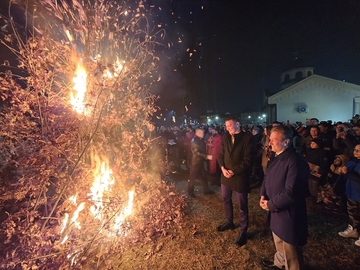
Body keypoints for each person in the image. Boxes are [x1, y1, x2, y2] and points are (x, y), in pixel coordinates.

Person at [260, 125, 310, 270]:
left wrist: (270, 205)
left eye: (274, 140)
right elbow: (266, 177)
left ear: (286, 142)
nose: (270, 143)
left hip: (289, 214)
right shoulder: (276, 157)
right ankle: (279, 264)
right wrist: (263, 195)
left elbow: (291, 192)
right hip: (276, 211)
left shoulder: (295, 162)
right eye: (270, 139)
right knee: (279, 241)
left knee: (290, 249)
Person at [217, 116, 253, 247]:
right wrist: (222, 168)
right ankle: (229, 221)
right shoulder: (226, 137)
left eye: (230, 126)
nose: (227, 129)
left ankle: (243, 231)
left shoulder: (247, 138)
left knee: (242, 206)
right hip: (225, 175)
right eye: (226, 127)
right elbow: (220, 155)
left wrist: (233, 171)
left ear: (238, 124)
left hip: (239, 177)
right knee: (226, 199)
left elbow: (248, 160)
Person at [338, 144, 360, 247]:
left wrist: (347, 173)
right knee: (352, 212)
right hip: (352, 193)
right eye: (355, 149)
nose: (356, 152)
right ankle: (353, 229)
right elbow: (345, 169)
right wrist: (342, 169)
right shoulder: (353, 162)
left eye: (359, 150)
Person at [187, 128, 214, 198]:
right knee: (192, 177)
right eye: (202, 133)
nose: (203, 134)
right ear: (198, 133)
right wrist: (206, 156)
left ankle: (206, 190)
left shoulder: (200, 139)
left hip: (200, 161)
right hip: (195, 162)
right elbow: (196, 152)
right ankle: (190, 192)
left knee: (204, 176)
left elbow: (201, 149)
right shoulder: (194, 141)